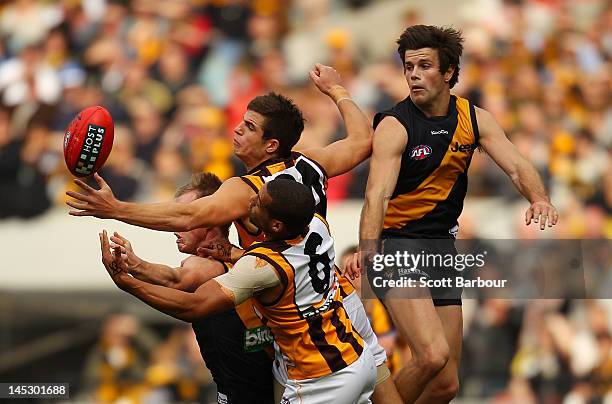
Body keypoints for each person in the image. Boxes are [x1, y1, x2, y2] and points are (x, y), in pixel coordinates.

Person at [67, 64, 399, 402]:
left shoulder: (248, 189)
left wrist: (115, 209)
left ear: (271, 145)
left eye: (250, 127)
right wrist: (336, 89)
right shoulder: (310, 163)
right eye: (242, 120)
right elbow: (361, 140)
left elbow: (188, 216)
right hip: (340, 304)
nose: (237, 129)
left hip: (303, 333)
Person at [345, 25, 559, 403]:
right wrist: (368, 247)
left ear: (448, 73)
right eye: (408, 66)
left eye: (424, 65)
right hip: (397, 245)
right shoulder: (395, 125)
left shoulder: (474, 119)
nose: (413, 74)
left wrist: (539, 198)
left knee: (446, 385)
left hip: (441, 247)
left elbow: (516, 164)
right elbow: (376, 194)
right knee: (432, 355)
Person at [100, 179, 377, 403]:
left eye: (258, 202)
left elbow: (189, 301)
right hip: (354, 357)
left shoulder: (258, 266)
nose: (249, 201)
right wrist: (233, 252)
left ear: (276, 224)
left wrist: (129, 280)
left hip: (321, 377)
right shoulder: (315, 225)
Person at [108, 172, 274, 403]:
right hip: (242, 389)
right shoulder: (241, 260)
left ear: (208, 219)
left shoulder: (208, 264)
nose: (175, 228)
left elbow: (177, 280)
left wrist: (133, 267)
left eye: (185, 218)